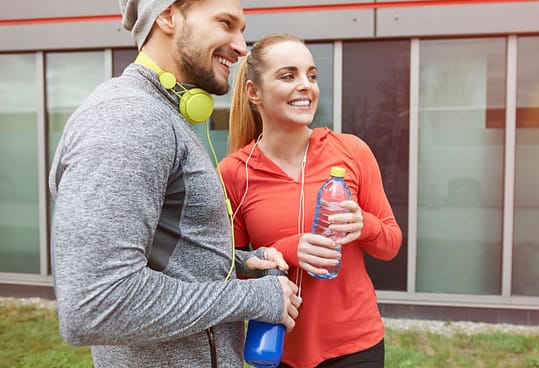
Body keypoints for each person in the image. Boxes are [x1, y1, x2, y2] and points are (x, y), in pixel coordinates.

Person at [48, 1, 301, 367]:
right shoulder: (128, 118)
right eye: (226, 24)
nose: (242, 46)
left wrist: (241, 264)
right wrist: (254, 298)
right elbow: (96, 304)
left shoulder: (165, 113)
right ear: (166, 15)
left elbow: (162, 254)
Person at [220, 33, 403, 367]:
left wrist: (365, 224)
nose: (305, 85)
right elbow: (228, 268)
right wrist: (289, 249)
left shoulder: (352, 152)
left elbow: (390, 245)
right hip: (276, 347)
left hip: (356, 347)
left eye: (311, 75)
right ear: (253, 92)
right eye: (288, 75)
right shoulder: (234, 173)